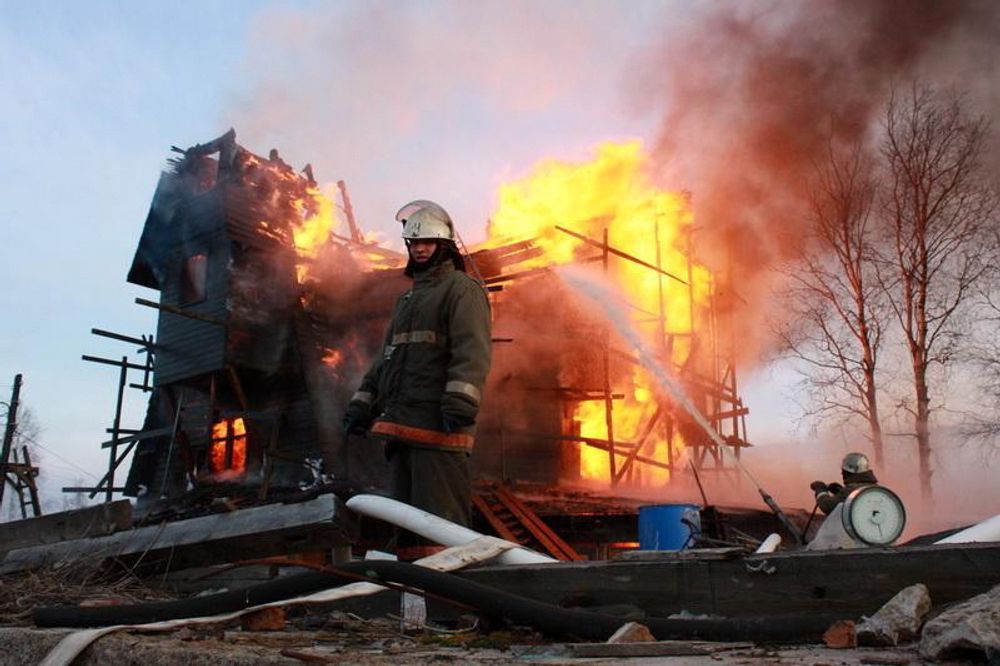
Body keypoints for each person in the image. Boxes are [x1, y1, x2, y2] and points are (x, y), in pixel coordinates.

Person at [342, 200, 491, 556]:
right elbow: (388, 358)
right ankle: (412, 606)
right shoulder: (408, 299)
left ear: (444, 246)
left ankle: (450, 606)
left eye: (427, 242)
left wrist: (460, 400)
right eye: (413, 243)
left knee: (442, 527)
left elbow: (473, 350)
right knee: (407, 526)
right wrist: (362, 403)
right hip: (402, 427)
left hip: (439, 428)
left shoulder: (461, 289)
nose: (420, 249)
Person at [810, 452, 879, 515]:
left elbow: (828, 506)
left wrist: (820, 490)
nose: (842, 474)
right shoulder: (875, 488)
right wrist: (839, 491)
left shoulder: (851, 490)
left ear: (848, 472)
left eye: (843, 471)